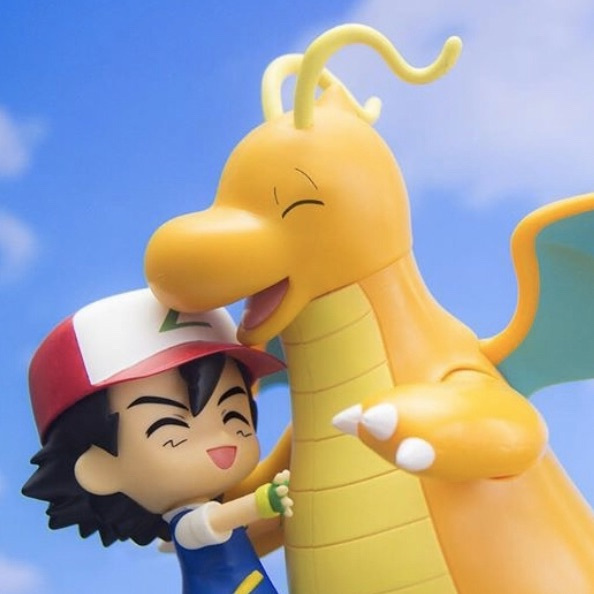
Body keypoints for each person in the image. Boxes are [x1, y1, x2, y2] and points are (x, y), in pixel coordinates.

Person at [23, 288, 292, 594]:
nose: (220, 439)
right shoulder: (187, 525)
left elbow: (263, 525)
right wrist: (266, 500)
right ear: (100, 468)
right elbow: (223, 518)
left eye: (233, 415)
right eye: (172, 430)